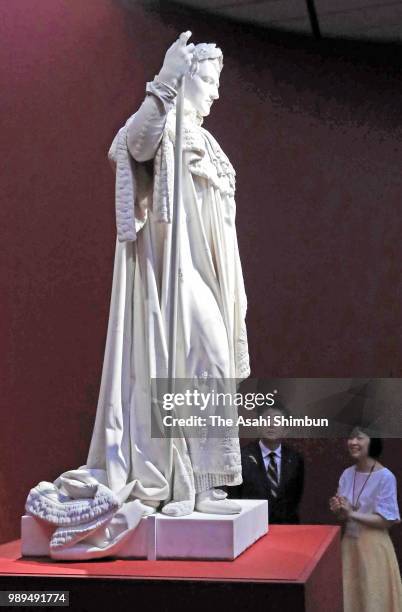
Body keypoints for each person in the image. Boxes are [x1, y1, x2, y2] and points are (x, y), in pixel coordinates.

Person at [25, 32, 250, 559]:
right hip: (168, 271)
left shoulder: (209, 144)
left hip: (208, 269)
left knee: (209, 359)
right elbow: (135, 145)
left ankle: (205, 481)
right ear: (188, 79)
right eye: (211, 82)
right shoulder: (164, 122)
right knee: (194, 357)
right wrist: (165, 82)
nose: (216, 94)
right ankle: (177, 479)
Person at [330, 426, 402, 612]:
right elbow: (342, 515)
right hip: (349, 546)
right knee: (350, 599)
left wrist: (351, 514)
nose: (353, 442)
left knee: (374, 600)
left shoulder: (386, 477)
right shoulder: (347, 474)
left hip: (375, 549)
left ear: (373, 441)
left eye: (359, 438)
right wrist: (338, 509)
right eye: (351, 438)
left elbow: (387, 520)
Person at [230, 402, 304, 524]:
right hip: (250, 526)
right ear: (258, 426)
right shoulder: (240, 457)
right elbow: (234, 497)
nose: (271, 424)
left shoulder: (295, 459)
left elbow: (296, 497)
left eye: (277, 420)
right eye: (267, 419)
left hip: (287, 528)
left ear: (286, 430)